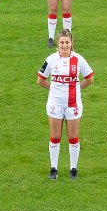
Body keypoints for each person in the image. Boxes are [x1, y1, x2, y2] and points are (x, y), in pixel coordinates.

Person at [37, 29, 94, 181]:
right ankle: (53, 168)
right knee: (55, 136)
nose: (64, 45)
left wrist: (77, 88)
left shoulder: (79, 60)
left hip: (73, 103)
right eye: (62, 42)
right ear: (57, 43)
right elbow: (40, 80)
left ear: (71, 43)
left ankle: (73, 169)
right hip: (55, 103)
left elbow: (89, 78)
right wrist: (53, 88)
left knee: (73, 136)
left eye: (67, 42)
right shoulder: (50, 60)